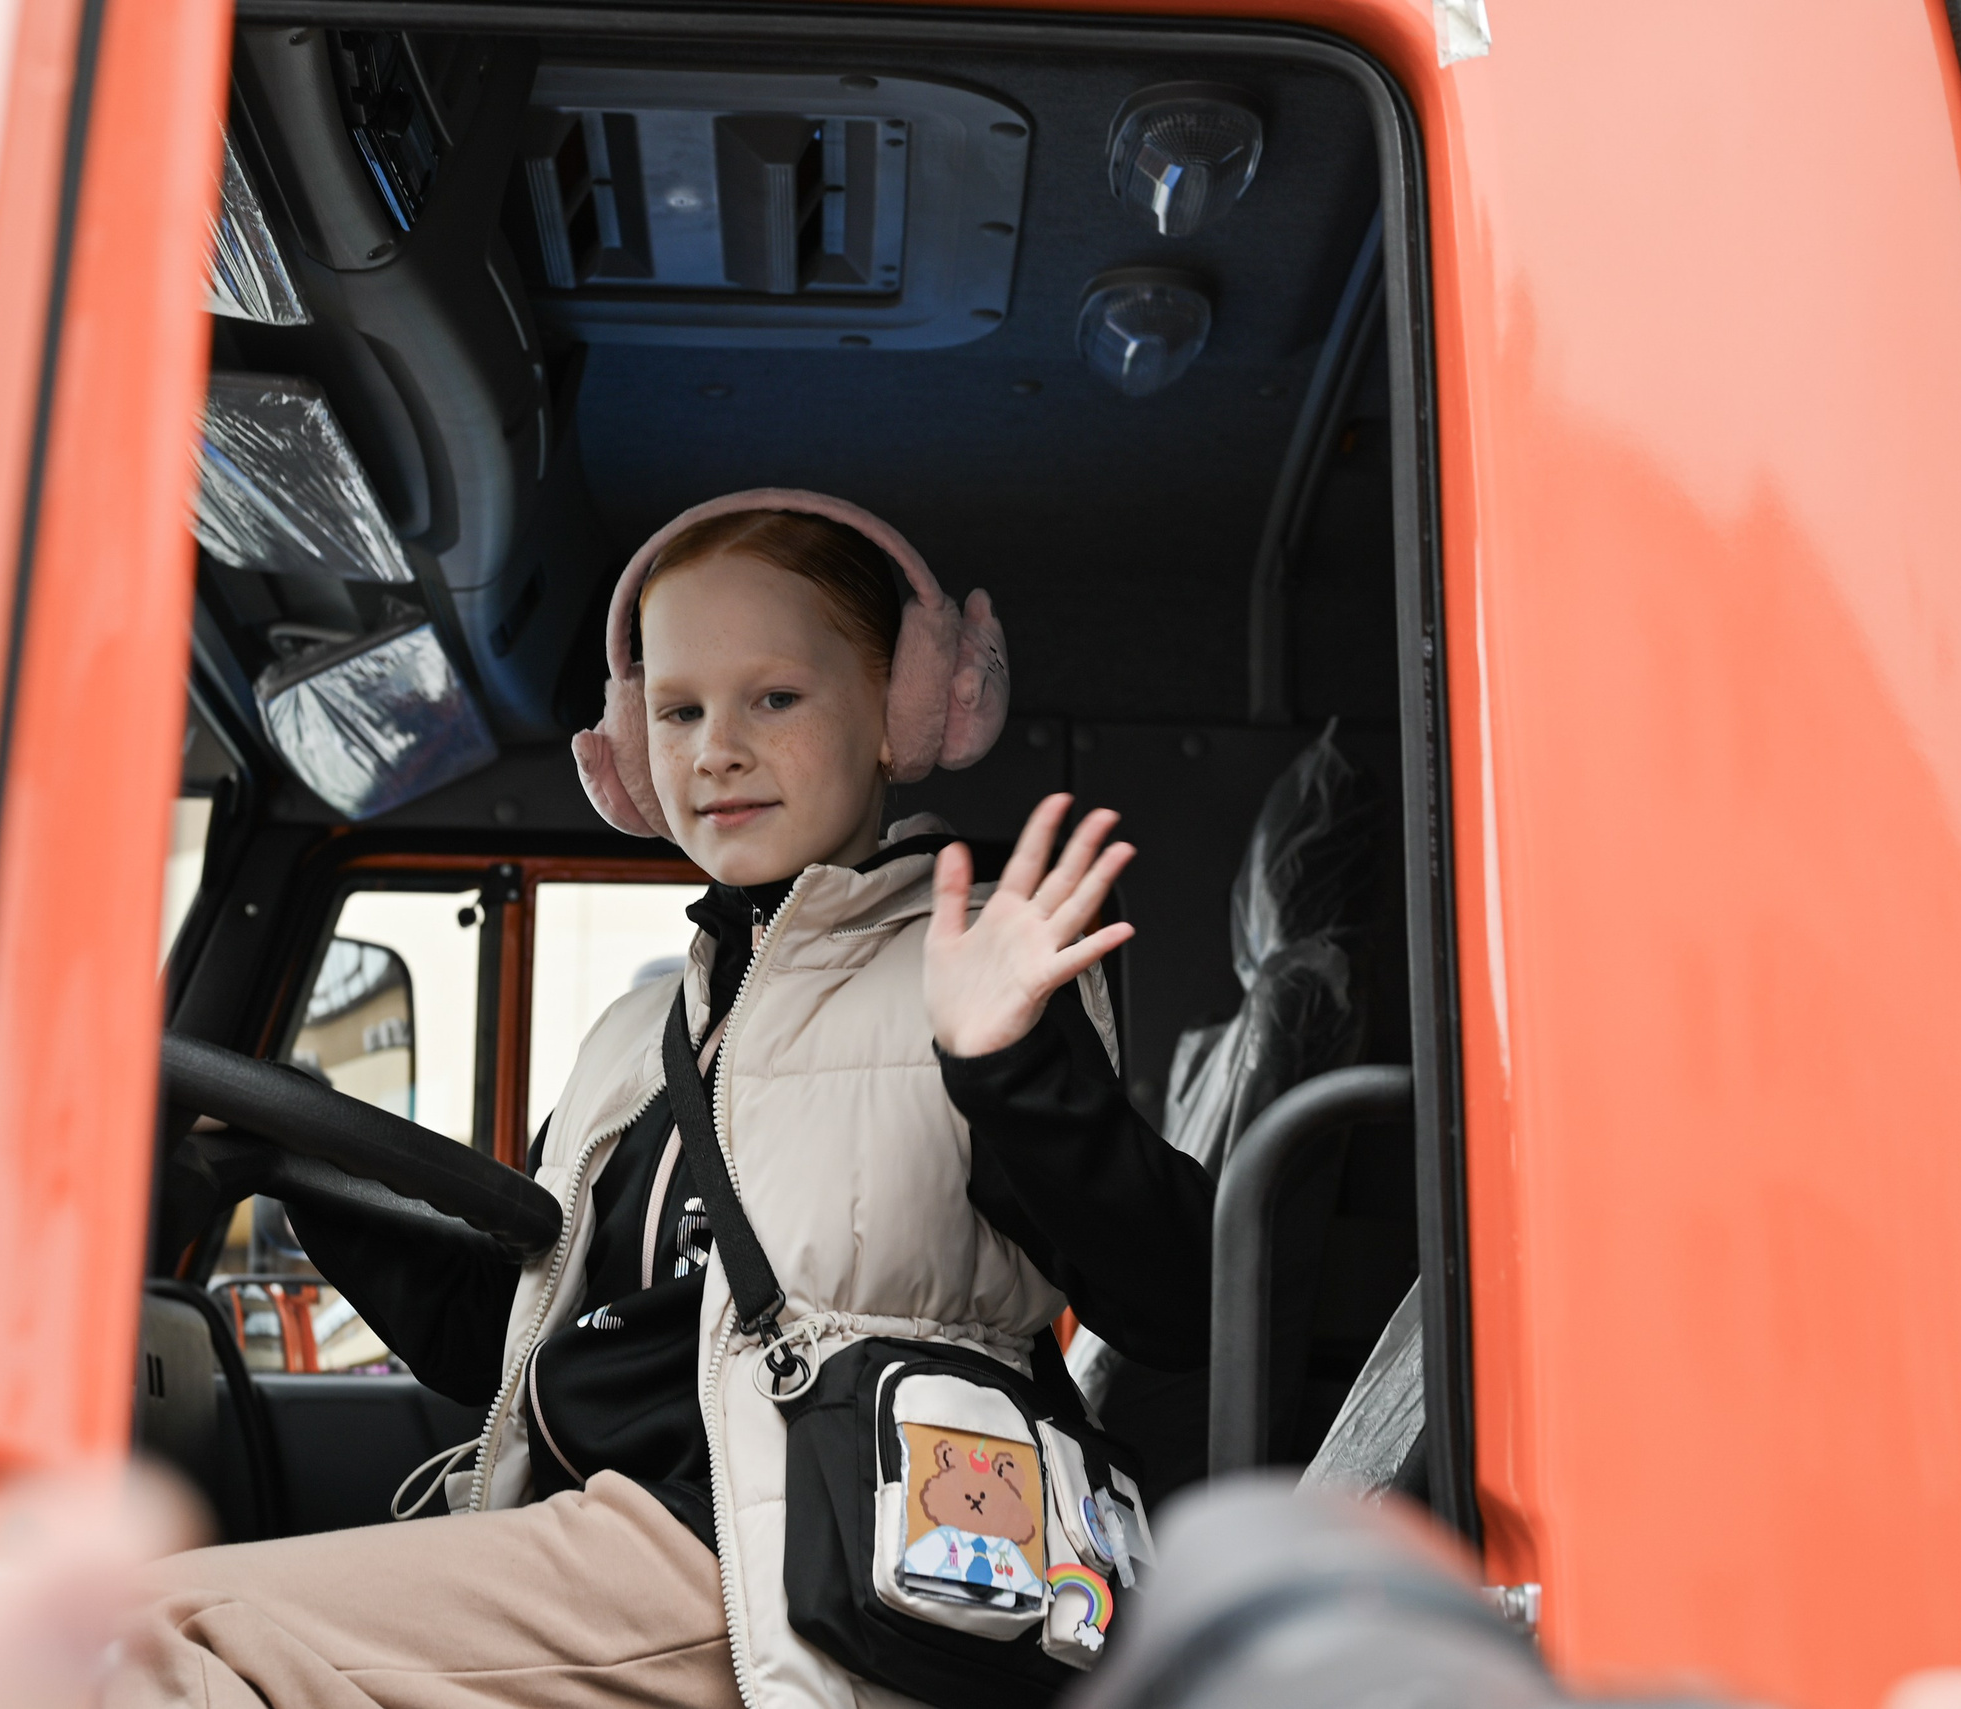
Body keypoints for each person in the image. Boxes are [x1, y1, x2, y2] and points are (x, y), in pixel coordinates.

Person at [112, 490, 1216, 1709]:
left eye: (774, 698)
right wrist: (292, 1165)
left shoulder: (971, 975)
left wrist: (1007, 1061)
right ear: (633, 751)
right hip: (624, 1534)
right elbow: (512, 1341)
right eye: (679, 710)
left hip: (795, 1554)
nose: (715, 748)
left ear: (902, 715)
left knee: (149, 1635)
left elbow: (1176, 1303)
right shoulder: (639, 1036)